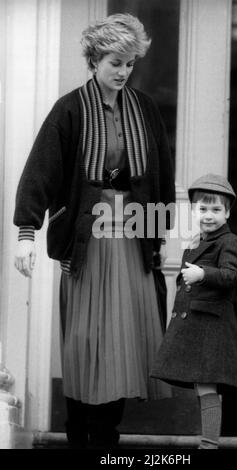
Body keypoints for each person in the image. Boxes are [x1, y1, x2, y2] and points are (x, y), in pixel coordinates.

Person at [13, 13, 175, 448]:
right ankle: (79, 434)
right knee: (88, 340)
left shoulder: (144, 108)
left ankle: (107, 439)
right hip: (87, 239)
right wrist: (26, 232)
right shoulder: (69, 109)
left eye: (129, 64)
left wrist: (161, 235)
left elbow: (161, 171)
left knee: (128, 341)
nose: (122, 72)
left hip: (134, 234)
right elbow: (41, 171)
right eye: (114, 63)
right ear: (93, 60)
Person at [151, 173, 237, 449]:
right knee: (202, 388)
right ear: (194, 210)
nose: (209, 215)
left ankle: (209, 444)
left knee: (208, 388)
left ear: (227, 212)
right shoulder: (197, 241)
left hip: (211, 328)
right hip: (196, 327)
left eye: (216, 210)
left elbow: (233, 275)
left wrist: (203, 273)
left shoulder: (230, 242)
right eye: (203, 209)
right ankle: (208, 442)